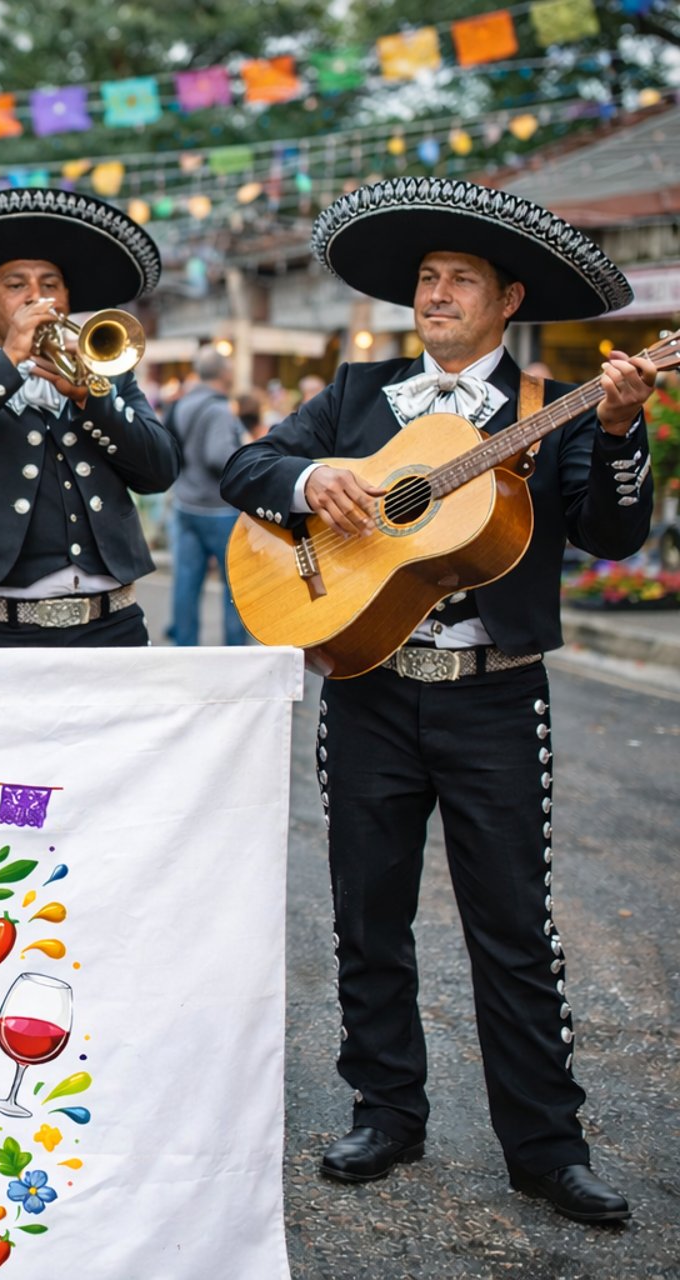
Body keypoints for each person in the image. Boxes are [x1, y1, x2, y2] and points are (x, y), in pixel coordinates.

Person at [220, 178, 655, 1223]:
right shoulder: (360, 391)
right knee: (368, 915)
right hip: (369, 689)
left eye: (462, 278)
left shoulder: (550, 407)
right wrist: (314, 476)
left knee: (512, 928)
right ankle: (386, 1109)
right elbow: (246, 465)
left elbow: (613, 534)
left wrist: (627, 427)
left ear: (509, 300)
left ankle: (548, 1146)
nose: (439, 293)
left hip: (494, 699)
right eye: (427, 278)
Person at [0, 189, 179, 647]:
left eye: (50, 284)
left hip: (112, 623)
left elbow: (159, 470)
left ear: (66, 298)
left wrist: (91, 397)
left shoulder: (106, 377)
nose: (37, 297)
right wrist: (6, 363)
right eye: (16, 284)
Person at [165, 348, 247, 646]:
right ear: (224, 373)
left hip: (186, 503)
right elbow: (219, 456)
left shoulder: (183, 403)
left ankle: (184, 648)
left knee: (186, 583)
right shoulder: (218, 410)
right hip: (219, 509)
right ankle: (236, 653)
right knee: (235, 588)